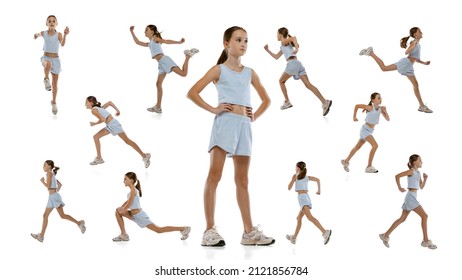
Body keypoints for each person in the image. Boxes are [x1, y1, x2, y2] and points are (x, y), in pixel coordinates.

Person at [187, 26, 274, 247]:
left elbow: (266, 100)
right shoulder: (218, 70)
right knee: (214, 176)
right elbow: (192, 92)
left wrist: (253, 116)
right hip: (225, 124)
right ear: (226, 44)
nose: (243, 44)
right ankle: (209, 231)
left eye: (246, 40)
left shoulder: (250, 72)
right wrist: (214, 109)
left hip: (244, 127)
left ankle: (248, 232)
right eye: (238, 40)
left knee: (243, 180)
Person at [359, 27, 433, 113]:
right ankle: (371, 53)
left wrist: (424, 63)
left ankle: (421, 106)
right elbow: (406, 52)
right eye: (420, 31)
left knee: (415, 85)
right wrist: (413, 45)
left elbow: (415, 58)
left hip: (409, 66)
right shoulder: (414, 42)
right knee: (384, 68)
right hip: (405, 63)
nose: (422, 33)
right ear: (415, 34)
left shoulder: (418, 44)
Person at [130, 25, 199, 113]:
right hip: (160, 64)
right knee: (158, 84)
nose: (144, 31)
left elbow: (166, 41)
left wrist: (179, 42)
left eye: (146, 30)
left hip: (164, 60)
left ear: (152, 31)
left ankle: (188, 55)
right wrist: (132, 31)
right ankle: (158, 107)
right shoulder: (150, 43)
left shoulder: (155, 39)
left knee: (183, 74)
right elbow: (137, 42)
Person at [263, 27, 332, 116]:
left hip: (292, 64)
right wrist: (267, 50)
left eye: (277, 34)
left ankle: (287, 102)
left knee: (281, 81)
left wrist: (296, 49)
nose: (276, 36)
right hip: (298, 64)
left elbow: (294, 38)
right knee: (308, 85)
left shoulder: (283, 41)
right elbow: (276, 57)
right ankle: (325, 102)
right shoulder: (284, 45)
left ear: (280, 35)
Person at [379, 154, 437, 249]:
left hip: (412, 196)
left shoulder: (418, 173)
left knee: (402, 219)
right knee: (424, 216)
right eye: (420, 160)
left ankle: (385, 236)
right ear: (414, 162)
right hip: (410, 197)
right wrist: (399, 187)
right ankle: (425, 241)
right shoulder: (411, 171)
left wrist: (425, 179)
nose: (421, 162)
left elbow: (421, 187)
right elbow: (397, 176)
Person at [112, 172, 191, 242]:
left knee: (159, 230)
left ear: (131, 180)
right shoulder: (132, 191)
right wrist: (121, 207)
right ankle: (124, 234)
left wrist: (123, 209)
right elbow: (128, 201)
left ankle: (183, 228)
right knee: (117, 212)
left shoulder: (133, 190)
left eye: (125, 179)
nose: (123, 181)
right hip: (134, 215)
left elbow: (129, 204)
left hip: (140, 216)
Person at [85, 96, 151, 168]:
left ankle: (145, 156)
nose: (85, 104)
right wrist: (118, 110)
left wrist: (94, 123)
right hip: (112, 124)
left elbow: (103, 119)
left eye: (86, 102)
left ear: (91, 103)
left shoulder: (94, 110)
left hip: (113, 125)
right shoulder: (99, 108)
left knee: (127, 141)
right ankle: (99, 158)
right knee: (96, 137)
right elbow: (110, 103)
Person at [31, 160, 86, 243]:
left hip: (54, 197)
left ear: (49, 166)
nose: (43, 167)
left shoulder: (49, 173)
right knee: (46, 215)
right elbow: (59, 184)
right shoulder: (52, 173)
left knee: (62, 215)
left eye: (44, 165)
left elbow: (48, 186)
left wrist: (42, 181)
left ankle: (79, 223)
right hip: (52, 197)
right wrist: (55, 192)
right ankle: (41, 236)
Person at [341, 92, 390, 173]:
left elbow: (388, 119)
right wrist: (354, 116)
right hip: (365, 130)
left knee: (357, 147)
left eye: (381, 98)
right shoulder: (370, 107)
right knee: (375, 146)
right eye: (378, 98)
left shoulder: (381, 109)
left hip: (369, 131)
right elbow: (357, 106)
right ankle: (369, 166)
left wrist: (385, 111)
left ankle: (346, 161)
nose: (380, 99)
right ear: (373, 100)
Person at [286, 161, 332, 245]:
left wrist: (293, 179)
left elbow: (289, 188)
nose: (294, 168)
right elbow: (318, 180)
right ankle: (294, 238)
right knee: (298, 218)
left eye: (295, 166)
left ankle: (325, 232)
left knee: (310, 217)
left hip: (302, 198)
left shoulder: (295, 176)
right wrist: (319, 190)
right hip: (305, 197)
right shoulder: (306, 177)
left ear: (298, 168)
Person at [33, 15, 69, 115]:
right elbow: (37, 34)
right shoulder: (44, 33)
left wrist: (65, 35)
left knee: (54, 84)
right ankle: (45, 78)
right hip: (46, 57)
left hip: (56, 59)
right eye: (49, 21)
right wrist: (35, 35)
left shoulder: (59, 34)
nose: (52, 22)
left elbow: (62, 44)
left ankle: (53, 102)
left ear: (56, 23)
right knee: (47, 64)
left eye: (54, 21)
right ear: (47, 24)